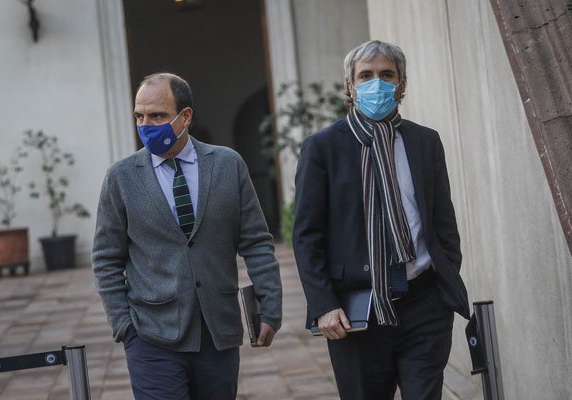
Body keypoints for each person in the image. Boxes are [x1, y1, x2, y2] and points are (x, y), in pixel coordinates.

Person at [292, 40, 469, 399]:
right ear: (350, 86)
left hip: (424, 305)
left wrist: (445, 281)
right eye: (366, 75)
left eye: (387, 75)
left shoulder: (425, 142)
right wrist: (324, 304)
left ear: (401, 85)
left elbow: (442, 221)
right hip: (356, 312)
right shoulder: (323, 148)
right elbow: (307, 235)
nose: (377, 83)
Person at [92, 72, 282, 400]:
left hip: (217, 332)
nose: (146, 124)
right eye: (140, 115)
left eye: (158, 115)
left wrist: (270, 306)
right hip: (152, 336)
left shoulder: (227, 165)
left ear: (186, 117)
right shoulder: (121, 178)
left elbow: (255, 241)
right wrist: (125, 327)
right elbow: (106, 258)